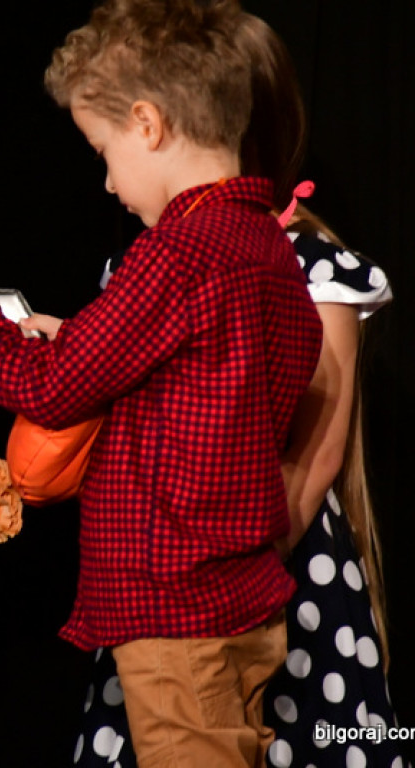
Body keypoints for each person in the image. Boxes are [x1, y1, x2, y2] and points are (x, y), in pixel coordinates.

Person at [0, 1, 324, 764]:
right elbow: (220, 374)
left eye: (102, 151)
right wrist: (84, 337)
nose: (107, 183)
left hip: (174, 604)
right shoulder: (268, 250)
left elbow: (50, 390)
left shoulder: (174, 252)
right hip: (243, 597)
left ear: (148, 124)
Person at [71, 10, 407, 768]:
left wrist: (231, 567)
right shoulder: (153, 257)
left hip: (264, 565)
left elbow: (320, 440)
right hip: (172, 584)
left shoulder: (300, 260)